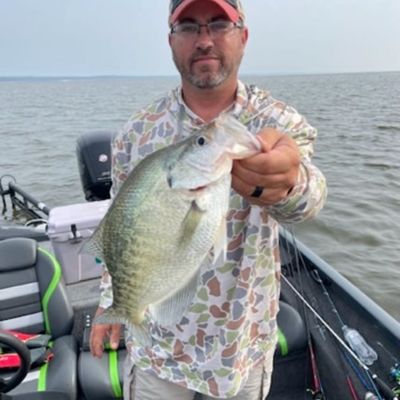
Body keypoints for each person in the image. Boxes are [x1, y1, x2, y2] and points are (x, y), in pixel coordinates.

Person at [90, 0, 327, 399]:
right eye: (188, 28)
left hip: (240, 349)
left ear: (243, 36)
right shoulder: (136, 132)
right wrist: (109, 302)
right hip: (159, 351)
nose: (204, 40)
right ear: (171, 42)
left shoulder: (277, 121)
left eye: (219, 24)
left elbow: (310, 202)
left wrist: (289, 185)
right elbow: (121, 228)